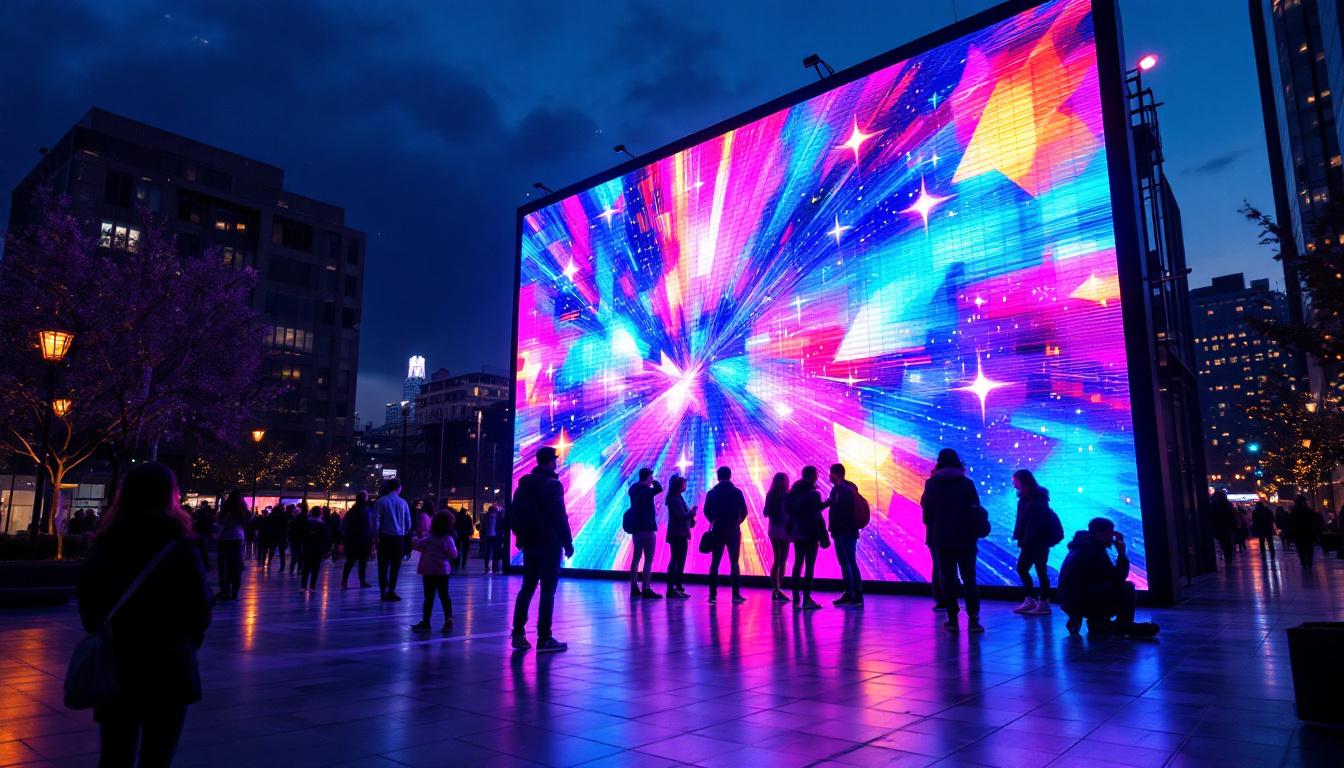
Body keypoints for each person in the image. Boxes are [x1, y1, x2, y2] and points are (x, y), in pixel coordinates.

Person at [77, 462, 211, 768]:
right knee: (158, 755)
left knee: (114, 753)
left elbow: (90, 608)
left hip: (117, 663)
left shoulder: (106, 544)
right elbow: (200, 610)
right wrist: (184, 642)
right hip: (169, 664)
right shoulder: (182, 547)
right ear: (171, 497)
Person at [511, 446, 574, 653]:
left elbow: (515, 514)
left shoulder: (524, 485)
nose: (556, 463)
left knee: (527, 587)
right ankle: (544, 638)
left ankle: (518, 634)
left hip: (530, 543)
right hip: (549, 543)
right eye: (554, 460)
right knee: (548, 590)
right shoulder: (552, 485)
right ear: (550, 462)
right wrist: (567, 541)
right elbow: (559, 515)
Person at [1057, 517, 1159, 638]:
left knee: (1106, 587)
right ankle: (1124, 626)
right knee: (1127, 588)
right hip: (1079, 600)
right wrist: (1121, 553)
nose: (1113, 536)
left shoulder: (1082, 546)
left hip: (1070, 601)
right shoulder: (1094, 550)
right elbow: (1118, 578)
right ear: (1099, 533)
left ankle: (1098, 623)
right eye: (1110, 532)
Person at [920, 448, 984, 633]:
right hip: (966, 538)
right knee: (969, 578)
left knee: (947, 578)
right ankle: (974, 618)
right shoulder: (967, 483)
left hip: (941, 538)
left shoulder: (931, 484)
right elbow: (976, 510)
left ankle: (952, 619)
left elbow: (927, 516)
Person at [1010, 469, 1061, 616]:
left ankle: (1040, 601)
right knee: (1036, 569)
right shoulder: (1028, 498)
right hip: (1032, 540)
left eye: (1015, 481)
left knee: (1030, 569)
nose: (1014, 485)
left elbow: (1034, 523)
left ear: (1023, 480)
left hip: (1036, 541)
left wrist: (1025, 539)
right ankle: (1035, 600)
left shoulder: (1037, 499)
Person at [704, 466, 748, 605]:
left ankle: (712, 595)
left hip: (718, 529)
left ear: (718, 476)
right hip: (733, 530)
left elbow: (706, 511)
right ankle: (735, 595)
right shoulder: (737, 492)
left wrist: (714, 520)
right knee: (734, 562)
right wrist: (737, 522)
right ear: (730, 475)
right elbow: (744, 511)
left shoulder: (712, 493)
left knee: (715, 562)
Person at [410, 510, 459, 634]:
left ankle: (426, 622)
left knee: (428, 597)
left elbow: (418, 545)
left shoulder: (430, 538)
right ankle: (448, 621)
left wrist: (414, 538)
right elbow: (454, 554)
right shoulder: (448, 539)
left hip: (428, 570)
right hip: (442, 571)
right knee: (444, 596)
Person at [786, 466, 827, 610]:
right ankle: (807, 599)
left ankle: (796, 598)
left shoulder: (793, 492)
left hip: (797, 533)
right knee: (809, 566)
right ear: (812, 476)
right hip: (811, 533)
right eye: (816, 474)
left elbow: (789, 511)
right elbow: (815, 513)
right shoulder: (814, 494)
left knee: (797, 564)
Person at [828, 464, 863, 607]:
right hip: (843, 531)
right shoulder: (843, 488)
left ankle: (856, 594)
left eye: (831, 473)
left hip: (845, 531)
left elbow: (841, 512)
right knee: (846, 562)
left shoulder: (843, 490)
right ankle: (850, 593)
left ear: (835, 474)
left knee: (849, 562)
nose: (829, 476)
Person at [627, 468, 664, 599]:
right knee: (648, 559)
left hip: (636, 529)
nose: (652, 478)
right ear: (648, 477)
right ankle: (646, 588)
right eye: (651, 476)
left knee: (636, 558)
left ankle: (634, 587)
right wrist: (652, 481)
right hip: (647, 529)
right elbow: (659, 488)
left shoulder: (633, 490)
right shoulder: (647, 491)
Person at [373, 479, 412, 601]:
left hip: (384, 537)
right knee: (396, 565)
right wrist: (405, 532)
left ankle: (383, 590)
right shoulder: (403, 503)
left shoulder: (380, 501)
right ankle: (392, 590)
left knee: (383, 565)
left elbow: (376, 521)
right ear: (398, 488)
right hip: (398, 538)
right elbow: (408, 522)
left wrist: (376, 536)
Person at [664, 474, 696, 598]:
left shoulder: (678, 498)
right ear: (679, 485)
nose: (685, 485)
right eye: (684, 483)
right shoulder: (674, 499)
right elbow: (681, 516)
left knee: (679, 561)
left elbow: (683, 515)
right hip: (678, 534)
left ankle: (677, 588)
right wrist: (691, 513)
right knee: (676, 561)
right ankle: (672, 589)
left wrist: (690, 517)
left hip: (679, 533)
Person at [216, 490, 251, 602]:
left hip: (226, 538)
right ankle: (235, 592)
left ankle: (225, 590)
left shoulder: (227, 510)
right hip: (238, 538)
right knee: (236, 566)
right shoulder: (243, 510)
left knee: (224, 566)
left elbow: (223, 523)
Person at [763, 472, 790, 602]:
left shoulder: (770, 495)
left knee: (777, 559)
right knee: (782, 560)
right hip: (784, 529)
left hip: (773, 528)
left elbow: (765, 512)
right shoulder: (787, 496)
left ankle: (776, 589)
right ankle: (778, 589)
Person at [341, 492, 375, 589]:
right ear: (365, 499)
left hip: (352, 540)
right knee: (363, 562)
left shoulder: (351, 511)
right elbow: (370, 525)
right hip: (364, 540)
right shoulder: (367, 511)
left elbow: (345, 526)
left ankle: (344, 581)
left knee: (350, 561)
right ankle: (362, 581)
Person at [300, 506, 332, 592]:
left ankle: (303, 586)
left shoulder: (306, 523)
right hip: (318, 550)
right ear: (321, 514)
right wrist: (326, 550)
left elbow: (301, 536)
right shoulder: (323, 525)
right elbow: (327, 538)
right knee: (315, 569)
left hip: (307, 548)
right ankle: (312, 587)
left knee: (306, 568)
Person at [1290, 495, 1323, 569]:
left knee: (1301, 548)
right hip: (1308, 532)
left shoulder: (1295, 511)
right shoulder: (1308, 510)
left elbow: (1291, 521)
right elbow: (1313, 520)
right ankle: (1309, 561)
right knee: (1309, 547)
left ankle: (1304, 561)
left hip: (1299, 532)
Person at [1210, 490, 1236, 565]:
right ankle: (1228, 558)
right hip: (1226, 527)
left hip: (1219, 527)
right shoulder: (1227, 505)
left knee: (1223, 543)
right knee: (1227, 543)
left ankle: (1227, 558)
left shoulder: (1214, 505)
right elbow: (1232, 516)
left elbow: (1212, 517)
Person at [192, 501, 215, 572]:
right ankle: (206, 565)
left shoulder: (200, 512)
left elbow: (197, 521)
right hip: (206, 532)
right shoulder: (209, 512)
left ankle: (205, 565)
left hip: (201, 531)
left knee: (203, 549)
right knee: (204, 549)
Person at [479, 504, 501, 574]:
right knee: (493, 552)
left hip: (489, 536)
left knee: (489, 552)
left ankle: (489, 567)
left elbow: (483, 527)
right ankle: (493, 567)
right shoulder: (496, 517)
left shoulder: (486, 517)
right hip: (492, 536)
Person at [287, 505, 307, 575]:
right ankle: (299, 570)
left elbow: (290, 531)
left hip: (294, 540)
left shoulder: (292, 521)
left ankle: (292, 569)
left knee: (294, 556)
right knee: (300, 557)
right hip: (300, 540)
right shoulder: (303, 520)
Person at [455, 506, 476, 572]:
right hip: (465, 536)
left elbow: (455, 526)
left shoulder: (457, 518)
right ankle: (462, 564)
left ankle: (458, 564)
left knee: (458, 551)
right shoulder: (468, 518)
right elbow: (471, 528)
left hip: (459, 536)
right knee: (464, 551)